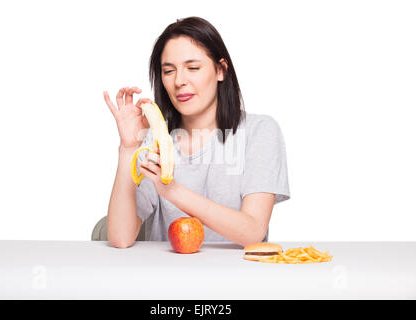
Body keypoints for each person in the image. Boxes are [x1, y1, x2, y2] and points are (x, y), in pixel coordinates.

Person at [103, 16, 290, 248]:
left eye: (192, 68)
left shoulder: (259, 131)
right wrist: (128, 148)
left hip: (239, 277)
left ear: (220, 70)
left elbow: (253, 231)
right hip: (169, 275)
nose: (179, 81)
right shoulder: (155, 141)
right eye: (169, 71)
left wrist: (172, 190)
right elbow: (121, 237)